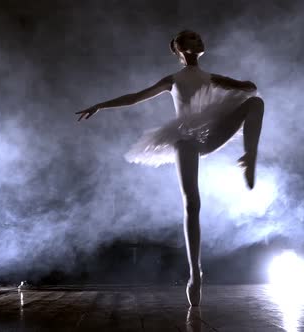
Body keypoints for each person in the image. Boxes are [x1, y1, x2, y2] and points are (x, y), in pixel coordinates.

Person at [76, 30, 264, 306]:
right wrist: (101, 106)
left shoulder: (212, 77)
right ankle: (195, 274)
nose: (197, 41)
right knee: (192, 203)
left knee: (256, 103)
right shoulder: (173, 80)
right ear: (178, 49)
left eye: (199, 38)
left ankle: (249, 156)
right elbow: (135, 97)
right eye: (189, 39)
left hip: (211, 134)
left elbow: (248, 88)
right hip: (185, 139)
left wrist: (244, 84)